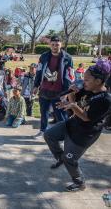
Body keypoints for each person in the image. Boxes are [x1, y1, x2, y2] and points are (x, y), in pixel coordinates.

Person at [44, 60, 111, 192]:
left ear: (98, 81)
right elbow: (74, 100)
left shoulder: (106, 99)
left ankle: (79, 182)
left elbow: (86, 118)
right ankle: (60, 158)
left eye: (86, 79)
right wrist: (71, 95)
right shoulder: (87, 89)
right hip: (72, 123)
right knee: (49, 135)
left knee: (70, 160)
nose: (83, 81)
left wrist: (73, 106)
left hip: (84, 134)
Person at [33, 35, 74, 138]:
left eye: (57, 44)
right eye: (53, 44)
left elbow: (70, 76)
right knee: (44, 113)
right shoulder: (44, 56)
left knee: (61, 115)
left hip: (59, 92)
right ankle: (43, 131)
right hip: (44, 90)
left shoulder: (67, 58)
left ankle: (65, 135)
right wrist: (36, 85)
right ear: (49, 45)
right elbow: (39, 71)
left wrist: (66, 93)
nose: (55, 46)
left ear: (61, 44)